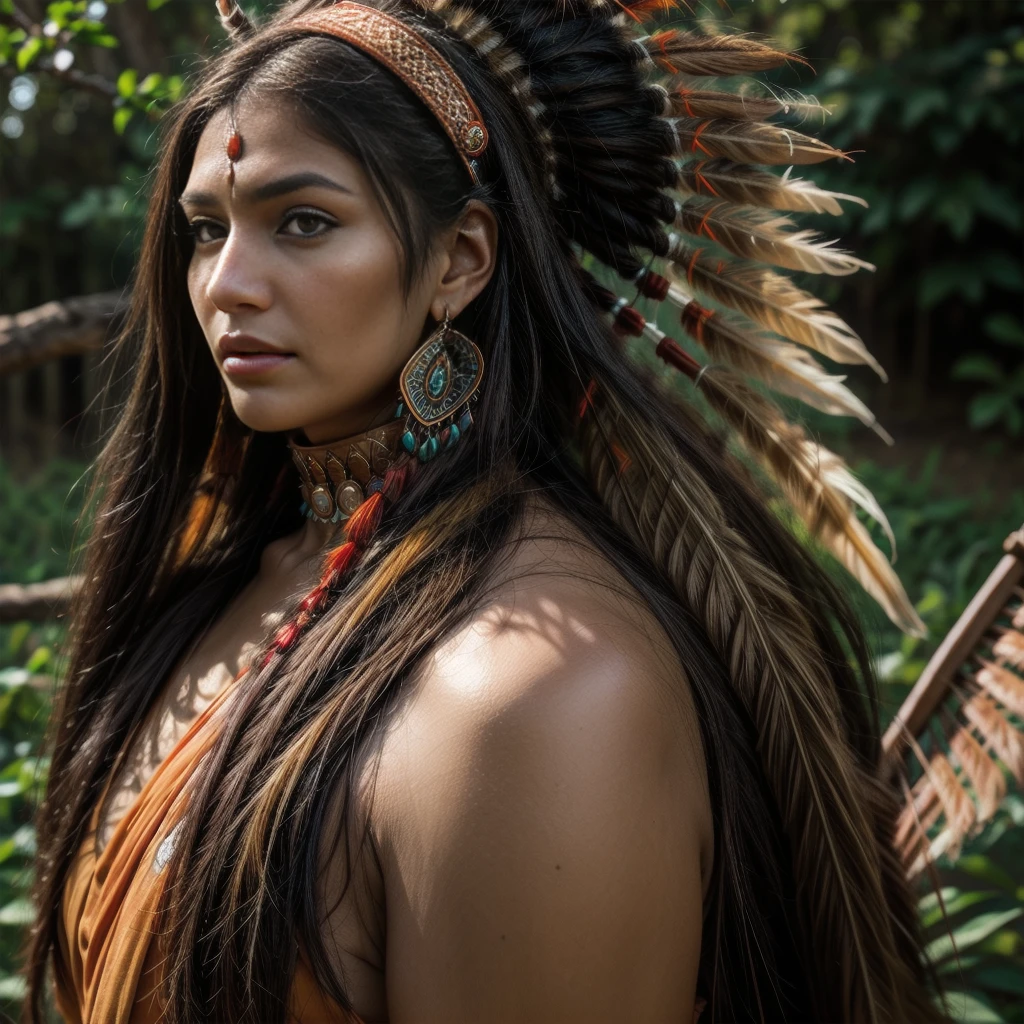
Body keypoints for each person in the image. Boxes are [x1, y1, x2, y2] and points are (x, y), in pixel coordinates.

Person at [24, 1, 946, 1021]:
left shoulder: (528, 696)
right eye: (206, 229)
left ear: (461, 258)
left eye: (303, 221)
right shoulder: (231, 571)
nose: (225, 285)